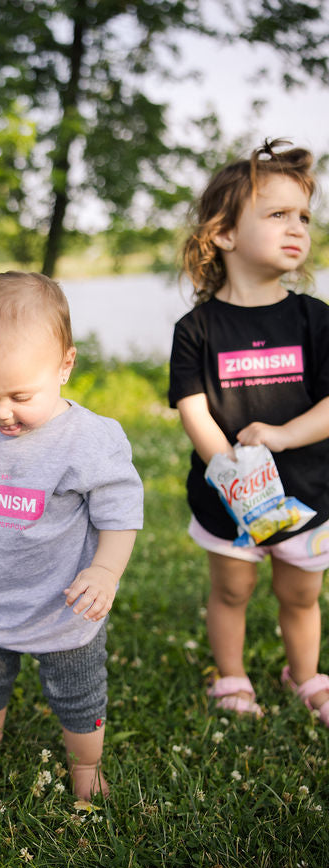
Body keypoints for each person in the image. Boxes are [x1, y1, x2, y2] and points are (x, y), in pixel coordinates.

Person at [0, 271, 143, 798]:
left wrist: (105, 570)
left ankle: (86, 770)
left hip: (64, 607)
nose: (0, 412)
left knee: (77, 692)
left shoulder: (88, 440)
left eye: (20, 395)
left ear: (65, 365)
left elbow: (120, 513)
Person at [169, 138, 329, 725]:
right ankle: (232, 675)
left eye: (304, 217)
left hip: (309, 492)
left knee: (301, 594)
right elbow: (192, 407)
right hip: (228, 498)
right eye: (277, 214)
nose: (297, 228)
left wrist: (283, 437)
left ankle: (305, 675)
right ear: (225, 234)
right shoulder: (197, 328)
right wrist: (231, 472)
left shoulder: (316, 319)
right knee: (232, 590)